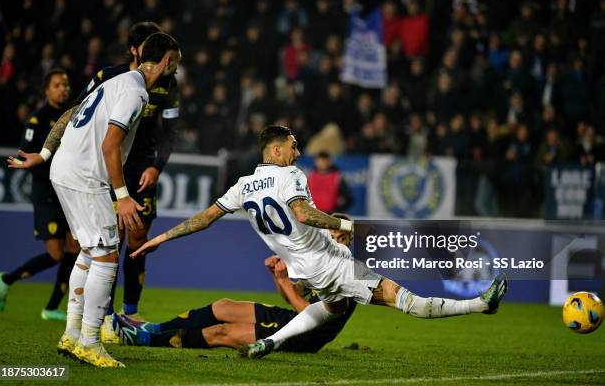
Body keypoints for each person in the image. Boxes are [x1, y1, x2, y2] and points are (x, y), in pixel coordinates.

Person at [132, 125, 508, 360]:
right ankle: (480, 304)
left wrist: (161, 237)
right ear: (276, 151)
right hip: (330, 264)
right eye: (293, 146)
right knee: (406, 300)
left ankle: (271, 342)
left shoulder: (242, 186)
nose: (298, 152)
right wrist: (344, 222)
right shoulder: (290, 174)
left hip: (306, 270)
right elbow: (303, 215)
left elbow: (204, 219)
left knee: (329, 308)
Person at [8, 32, 181, 368]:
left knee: (89, 252)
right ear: (165, 61)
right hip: (86, 176)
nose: (176, 69)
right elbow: (109, 145)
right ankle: (90, 342)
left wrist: (44, 155)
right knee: (106, 256)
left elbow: (73, 115)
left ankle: (72, 335)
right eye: (176, 62)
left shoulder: (114, 82)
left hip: (64, 169)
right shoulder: (135, 91)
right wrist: (123, 197)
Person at [113, 214, 357, 352]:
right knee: (224, 306)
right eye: (331, 235)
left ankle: (142, 340)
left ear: (348, 242)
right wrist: (278, 277)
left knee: (222, 332)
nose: (335, 240)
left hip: (305, 336)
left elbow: (311, 316)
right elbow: (295, 299)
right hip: (294, 319)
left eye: (341, 238)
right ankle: (152, 328)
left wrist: (283, 279)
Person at [76, 21, 181, 342]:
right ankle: (102, 317)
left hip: (141, 173)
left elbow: (170, 133)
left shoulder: (167, 84)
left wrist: (157, 167)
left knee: (137, 241)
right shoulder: (109, 77)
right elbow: (79, 112)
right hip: (109, 168)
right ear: (136, 50)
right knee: (109, 242)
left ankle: (129, 312)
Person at [0, 69, 80, 320]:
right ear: (46, 90)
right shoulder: (37, 119)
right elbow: (27, 153)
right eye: (57, 85)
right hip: (46, 192)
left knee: (74, 248)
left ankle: (52, 307)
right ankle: (7, 279)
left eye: (65, 84)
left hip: (67, 190)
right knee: (56, 254)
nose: (63, 88)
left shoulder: (73, 116)